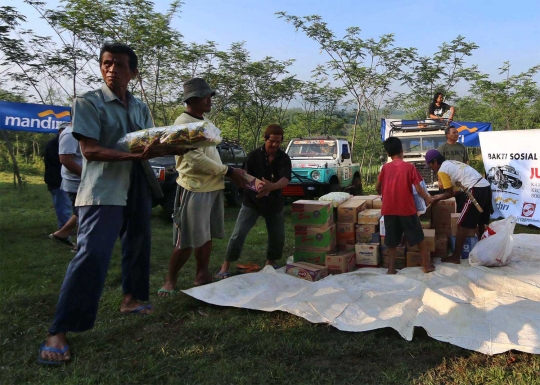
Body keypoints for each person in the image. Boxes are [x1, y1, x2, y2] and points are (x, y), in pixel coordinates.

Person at [38, 42, 188, 366]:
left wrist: (175, 144)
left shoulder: (139, 107)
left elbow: (148, 143)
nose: (112, 70)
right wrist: (134, 154)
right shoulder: (88, 102)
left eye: (120, 65)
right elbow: (89, 150)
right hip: (103, 188)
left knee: (138, 243)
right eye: (107, 63)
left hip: (136, 186)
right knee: (92, 252)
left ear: (132, 72)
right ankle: (58, 330)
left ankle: (131, 298)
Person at [157, 78, 246, 297]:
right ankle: (171, 280)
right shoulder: (183, 124)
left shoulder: (202, 121)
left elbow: (211, 150)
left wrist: (228, 171)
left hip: (212, 187)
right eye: (206, 97)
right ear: (193, 99)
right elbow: (195, 160)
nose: (210, 100)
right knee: (186, 239)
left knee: (206, 236)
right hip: (194, 188)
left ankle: (202, 274)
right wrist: (229, 172)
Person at [214, 124, 292, 279]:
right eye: (272, 141)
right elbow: (243, 176)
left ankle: (270, 261)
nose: (275, 145)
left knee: (278, 236)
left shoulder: (284, 158)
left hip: (274, 202)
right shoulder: (253, 156)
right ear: (265, 139)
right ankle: (226, 265)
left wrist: (271, 187)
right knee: (238, 234)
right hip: (252, 201)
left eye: (278, 142)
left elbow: (285, 179)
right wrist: (250, 184)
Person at [376, 137, 434, 274]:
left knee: (391, 241)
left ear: (388, 154)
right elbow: (419, 189)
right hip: (406, 209)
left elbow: (377, 187)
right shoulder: (409, 167)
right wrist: (427, 198)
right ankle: (426, 266)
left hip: (389, 209)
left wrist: (384, 194)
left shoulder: (385, 168)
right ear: (402, 151)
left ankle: (391, 268)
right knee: (419, 237)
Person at [425, 149, 492, 264]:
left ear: (435, 162)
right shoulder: (450, 163)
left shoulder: (442, 170)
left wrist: (436, 198)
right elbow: (455, 191)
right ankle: (484, 250)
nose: (432, 168)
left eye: (431, 165)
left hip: (475, 189)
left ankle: (456, 257)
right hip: (485, 185)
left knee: (462, 224)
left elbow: (449, 193)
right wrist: (440, 196)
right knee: (481, 221)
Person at [48, 121, 81, 249]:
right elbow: (65, 160)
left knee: (82, 212)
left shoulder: (79, 133)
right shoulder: (69, 135)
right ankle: (79, 244)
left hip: (76, 180)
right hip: (72, 181)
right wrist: (87, 176)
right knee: (80, 213)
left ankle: (63, 234)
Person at [44, 124, 72, 238]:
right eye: (65, 131)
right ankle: (64, 234)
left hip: (64, 180)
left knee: (68, 207)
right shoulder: (54, 144)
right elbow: (61, 161)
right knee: (63, 208)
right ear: (60, 131)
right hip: (57, 181)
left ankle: (65, 231)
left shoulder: (60, 143)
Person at [437, 126, 469, 212]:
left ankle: (458, 221)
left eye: (457, 132)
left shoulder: (462, 147)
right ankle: (445, 222)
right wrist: (440, 180)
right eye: (454, 133)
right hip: (447, 179)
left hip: (460, 179)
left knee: (461, 203)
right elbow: (439, 166)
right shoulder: (442, 148)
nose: (456, 134)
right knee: (447, 204)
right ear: (447, 135)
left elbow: (466, 162)